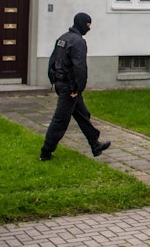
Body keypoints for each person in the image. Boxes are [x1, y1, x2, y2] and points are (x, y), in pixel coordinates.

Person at [40, 12, 110, 161]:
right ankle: (46, 152)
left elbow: (52, 61)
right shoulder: (78, 42)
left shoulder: (63, 38)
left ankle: (95, 145)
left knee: (83, 114)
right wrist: (77, 89)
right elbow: (80, 68)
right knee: (60, 120)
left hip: (62, 84)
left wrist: (54, 80)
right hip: (69, 88)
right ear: (82, 23)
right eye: (88, 24)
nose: (90, 28)